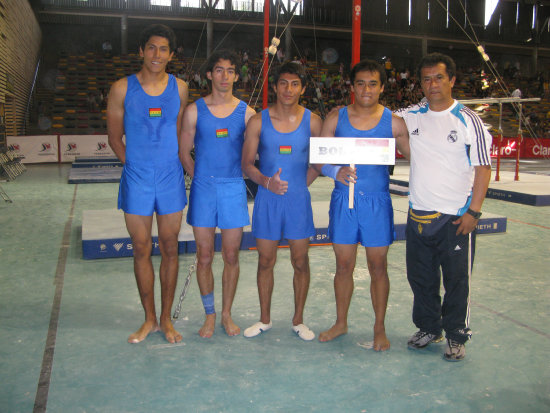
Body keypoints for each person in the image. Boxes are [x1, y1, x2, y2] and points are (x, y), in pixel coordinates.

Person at [396, 53, 492, 361]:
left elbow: (483, 168)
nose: (432, 84)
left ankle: (455, 335)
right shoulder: (411, 115)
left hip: (455, 219)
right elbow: (375, 119)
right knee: (421, 279)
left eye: (438, 77)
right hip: (419, 215)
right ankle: (429, 327)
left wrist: (473, 212)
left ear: (451, 80)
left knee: (456, 283)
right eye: (426, 78)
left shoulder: (468, 120)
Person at [314, 59, 410, 351]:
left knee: (378, 266)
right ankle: (341, 322)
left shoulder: (393, 123)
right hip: (344, 200)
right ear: (351, 86)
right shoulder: (335, 117)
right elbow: (318, 159)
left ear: (382, 87)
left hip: (377, 204)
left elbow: (420, 157)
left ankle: (379, 327)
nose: (366, 89)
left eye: (372, 83)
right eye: (360, 83)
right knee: (343, 266)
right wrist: (335, 171)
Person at [107, 24, 189, 344]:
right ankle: (149, 319)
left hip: (170, 176)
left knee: (170, 248)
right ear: (141, 51)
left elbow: (181, 134)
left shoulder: (180, 88)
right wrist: (136, 167)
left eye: (164, 49)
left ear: (171, 55)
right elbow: (114, 139)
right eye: (151, 48)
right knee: (141, 248)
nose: (157, 55)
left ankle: (166, 320)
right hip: (137, 176)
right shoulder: (121, 89)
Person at [242, 62, 322, 341]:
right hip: (267, 199)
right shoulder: (258, 121)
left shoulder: (313, 121)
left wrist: (298, 186)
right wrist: (268, 183)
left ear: (302, 88)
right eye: (284, 83)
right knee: (266, 260)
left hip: (298, 201)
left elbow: (319, 163)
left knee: (301, 261)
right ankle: (264, 319)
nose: (289, 89)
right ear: (274, 87)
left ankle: (298, 320)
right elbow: (246, 166)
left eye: (295, 84)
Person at [180, 50, 256, 338]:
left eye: (230, 71)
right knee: (204, 256)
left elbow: (258, 150)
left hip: (233, 188)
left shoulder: (247, 114)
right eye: (219, 70)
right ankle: (209, 314)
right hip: (203, 188)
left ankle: (226, 314)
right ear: (209, 74)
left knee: (231, 255)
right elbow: (184, 151)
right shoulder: (193, 111)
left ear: (237, 75)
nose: (225, 76)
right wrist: (197, 177)